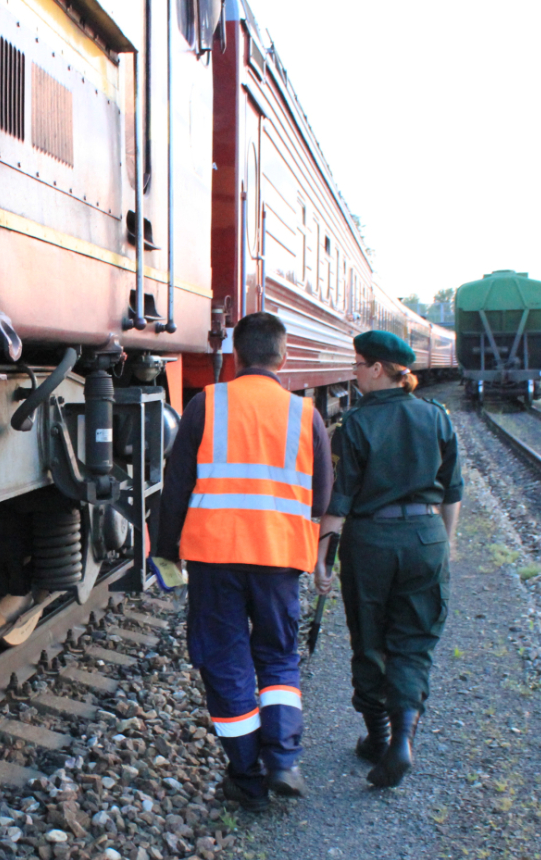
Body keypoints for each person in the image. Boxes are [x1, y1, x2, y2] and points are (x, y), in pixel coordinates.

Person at [153, 312, 333, 810]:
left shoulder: (204, 404)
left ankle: (246, 776)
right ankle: (283, 762)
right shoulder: (306, 415)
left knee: (225, 659)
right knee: (278, 655)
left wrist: (166, 550)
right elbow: (320, 500)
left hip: (216, 556)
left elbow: (176, 489)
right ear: (283, 355)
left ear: (236, 356)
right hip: (279, 559)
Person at [316, 330, 462, 788]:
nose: (354, 373)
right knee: (413, 640)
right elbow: (452, 491)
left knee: (370, 637)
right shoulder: (437, 418)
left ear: (378, 369)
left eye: (358, 364)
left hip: (372, 541)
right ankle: (402, 740)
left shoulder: (355, 425)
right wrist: (446, 542)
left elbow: (340, 501)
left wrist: (322, 558)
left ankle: (378, 737)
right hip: (426, 537)